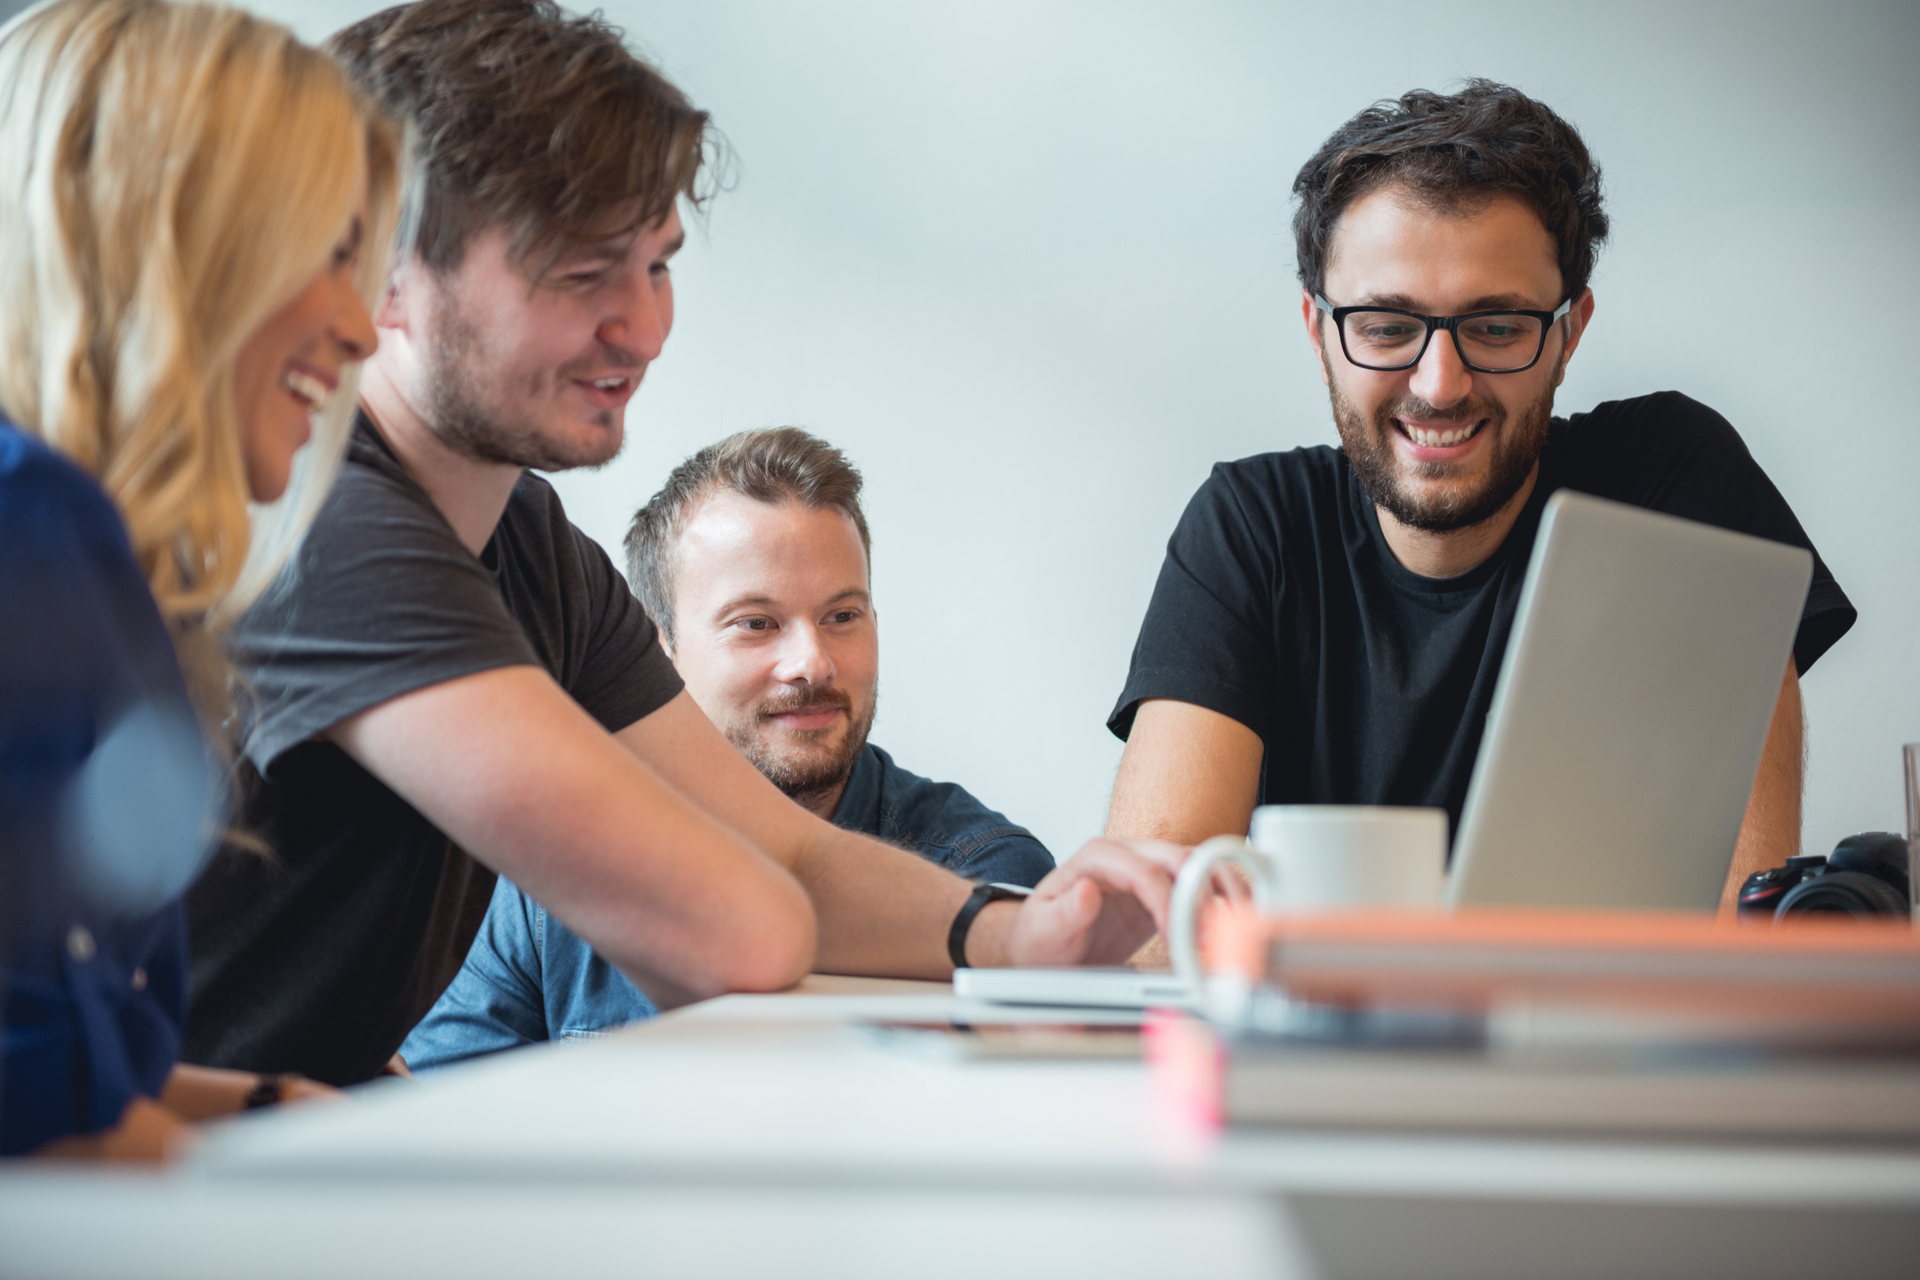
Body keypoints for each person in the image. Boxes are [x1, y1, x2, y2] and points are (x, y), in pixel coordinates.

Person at [185, 0, 1181, 1089]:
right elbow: (736, 929)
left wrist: (1015, 933)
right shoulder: (334, 522)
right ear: (384, 270)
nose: (644, 327)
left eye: (656, 264)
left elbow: (785, 847)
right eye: (580, 272)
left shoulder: (528, 538)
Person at [1105, 80, 1855, 909]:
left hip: (1601, 1039)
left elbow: (1736, 916)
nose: (1440, 383)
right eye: (1387, 326)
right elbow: (1149, 919)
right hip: (1325, 1036)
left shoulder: (1671, 484)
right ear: (1321, 335)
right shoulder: (1252, 527)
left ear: (1568, 335)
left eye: (1496, 327)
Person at [0, 0, 399, 1157]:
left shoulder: (76, 542)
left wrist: (263, 1106)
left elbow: (56, 1052)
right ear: (173, 237)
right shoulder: (34, 522)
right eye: (327, 252)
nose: (360, 329)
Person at [401, 428, 1057, 1068]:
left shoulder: (985, 877)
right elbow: (432, 1134)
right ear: (651, 651)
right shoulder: (540, 885)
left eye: (842, 616)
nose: (812, 663)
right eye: (756, 624)